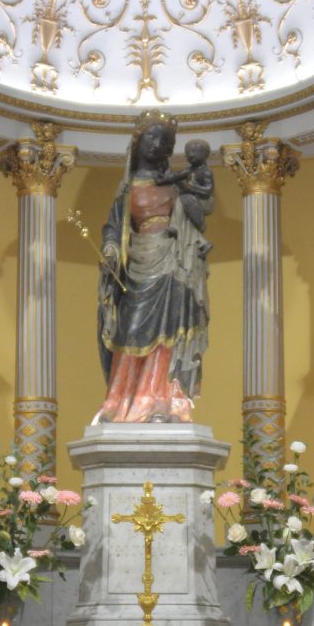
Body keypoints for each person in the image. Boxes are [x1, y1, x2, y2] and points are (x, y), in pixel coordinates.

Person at [93, 118, 211, 423]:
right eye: (152, 138)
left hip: (173, 260)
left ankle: (163, 402)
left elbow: (198, 218)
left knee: (169, 332)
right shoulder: (127, 190)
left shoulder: (176, 183)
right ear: (138, 142)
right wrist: (109, 251)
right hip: (137, 262)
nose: (157, 145)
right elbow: (114, 228)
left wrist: (190, 200)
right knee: (130, 330)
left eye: (164, 141)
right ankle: (120, 402)